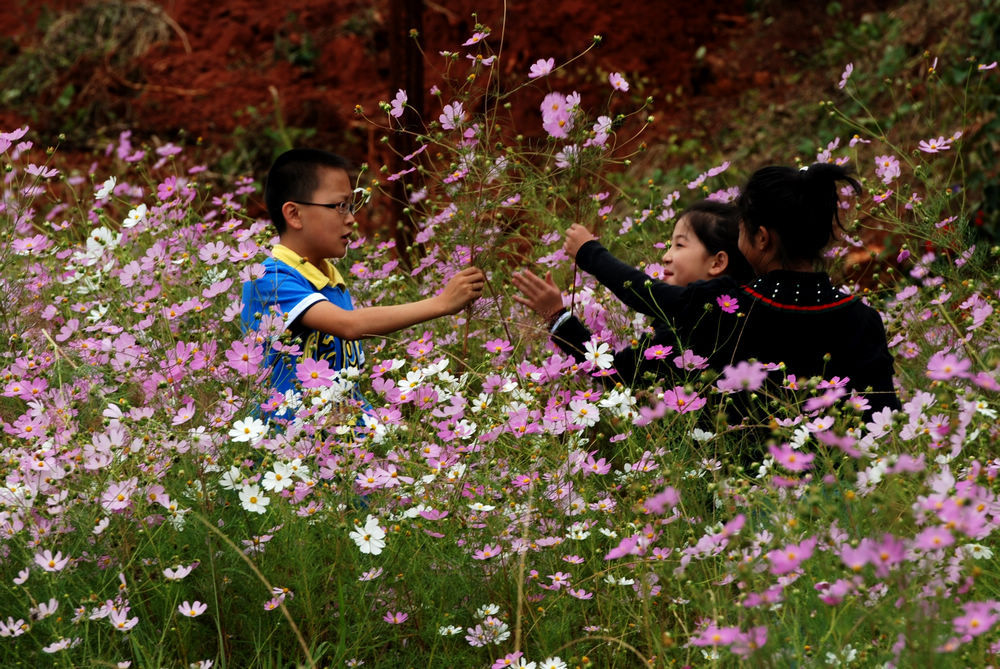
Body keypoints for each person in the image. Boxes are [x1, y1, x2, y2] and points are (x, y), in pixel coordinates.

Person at [522, 163, 901, 417]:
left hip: (747, 506)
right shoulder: (861, 318)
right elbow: (883, 414)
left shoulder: (729, 307)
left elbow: (649, 296)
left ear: (762, 239)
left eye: (743, 229)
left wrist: (589, 255)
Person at [241, 148, 485, 411]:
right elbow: (349, 325)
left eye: (351, 206)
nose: (351, 219)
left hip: (343, 439)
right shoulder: (269, 279)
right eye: (340, 206)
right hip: (291, 442)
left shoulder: (328, 278)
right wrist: (442, 304)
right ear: (294, 214)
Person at [512, 200, 753, 388]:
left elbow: (644, 292)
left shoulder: (726, 307)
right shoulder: (674, 320)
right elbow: (619, 373)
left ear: (717, 262)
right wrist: (557, 317)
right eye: (669, 245)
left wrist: (589, 252)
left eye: (679, 245)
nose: (665, 256)